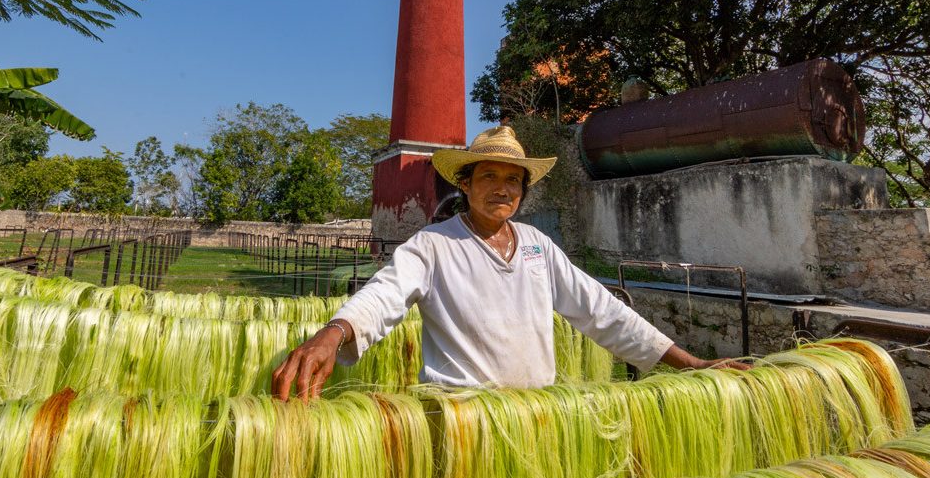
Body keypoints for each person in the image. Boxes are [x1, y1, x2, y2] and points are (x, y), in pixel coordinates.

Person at [271, 125, 749, 400]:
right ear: (466, 183)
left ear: (523, 190)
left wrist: (690, 364)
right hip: (459, 422)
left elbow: (602, 311)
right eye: (490, 176)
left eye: (513, 181)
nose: (502, 189)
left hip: (534, 420)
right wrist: (333, 334)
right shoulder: (433, 246)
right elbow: (385, 295)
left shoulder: (539, 247)